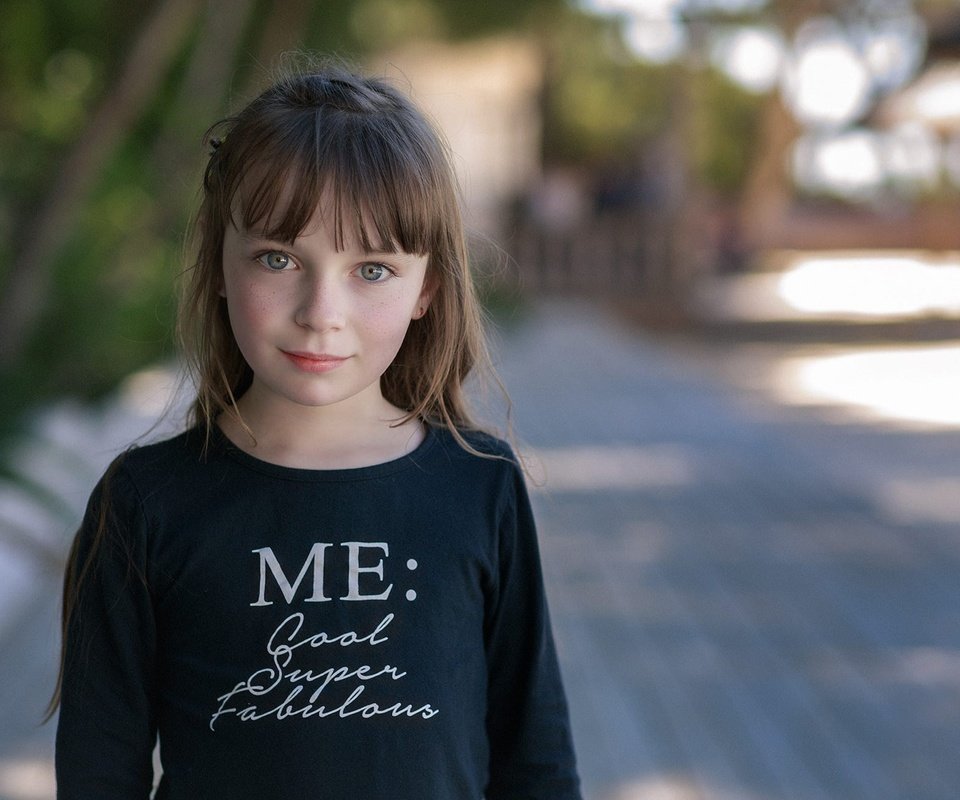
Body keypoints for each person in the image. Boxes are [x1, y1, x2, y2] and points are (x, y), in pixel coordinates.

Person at [51, 60, 582, 800]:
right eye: (278, 258)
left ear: (427, 286)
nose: (320, 311)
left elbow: (538, 761)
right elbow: (97, 774)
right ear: (218, 267)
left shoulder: (480, 484)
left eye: (371, 270)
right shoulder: (144, 504)